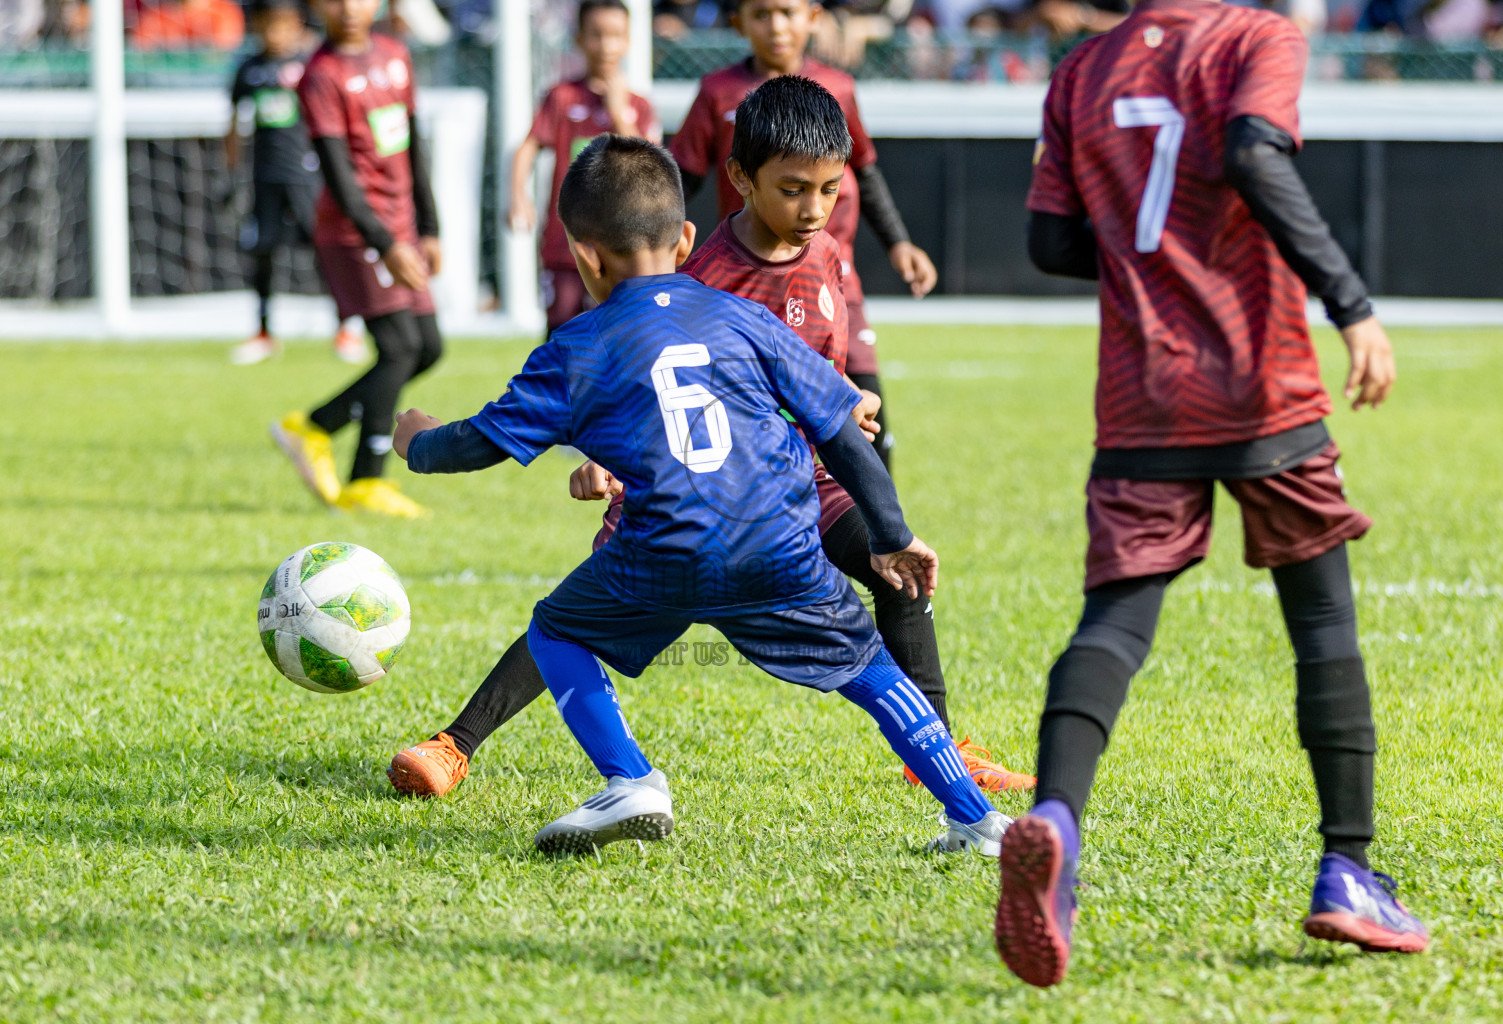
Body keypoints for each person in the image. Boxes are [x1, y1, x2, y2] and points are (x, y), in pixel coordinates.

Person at [386, 76, 1031, 803]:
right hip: (698, 486)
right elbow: (650, 376)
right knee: (576, 619)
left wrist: (847, 399)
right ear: (740, 184)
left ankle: (937, 752)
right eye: (794, 191)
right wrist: (604, 464)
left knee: (899, 567)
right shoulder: (707, 279)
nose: (814, 209)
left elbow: (809, 375)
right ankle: (456, 741)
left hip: (805, 483)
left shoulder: (821, 250)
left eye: (828, 190)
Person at [992, 0, 1428, 988]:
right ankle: (1349, 872)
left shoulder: (1083, 69)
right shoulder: (1255, 38)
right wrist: (1352, 305)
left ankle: (1055, 815)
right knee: (1323, 625)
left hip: (1142, 389)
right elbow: (1255, 154)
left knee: (1114, 620)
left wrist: (1151, 257)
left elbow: (1053, 244)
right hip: (1262, 377)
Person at [669, 0, 939, 473]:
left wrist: (899, 242)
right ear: (738, 23)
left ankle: (874, 537)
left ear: (812, 18)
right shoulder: (716, 92)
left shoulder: (837, 88)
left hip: (832, 282)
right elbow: (678, 181)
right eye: (761, 13)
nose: (776, 26)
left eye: (788, 12)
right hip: (751, 290)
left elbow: (866, 171)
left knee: (867, 424)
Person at [269, 0, 444, 519]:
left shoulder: (394, 53)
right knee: (398, 348)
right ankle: (364, 478)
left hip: (402, 226)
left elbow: (414, 149)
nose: (349, 7)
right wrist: (385, 242)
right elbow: (339, 176)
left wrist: (428, 227)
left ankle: (315, 427)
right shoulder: (320, 75)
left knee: (427, 347)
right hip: (355, 232)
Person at [508, 0, 662, 338]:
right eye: (596, 35)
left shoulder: (638, 106)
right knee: (560, 336)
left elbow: (650, 166)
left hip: (620, 248)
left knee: (614, 339)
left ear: (628, 40)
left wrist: (620, 115)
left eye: (615, 35)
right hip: (566, 246)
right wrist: (518, 195)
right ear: (579, 39)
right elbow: (527, 147)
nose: (606, 45)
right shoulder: (562, 97)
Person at [225, 0, 366, 367]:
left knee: (326, 252)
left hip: (308, 174)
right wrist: (230, 172)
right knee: (262, 253)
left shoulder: (311, 65)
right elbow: (234, 123)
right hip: (264, 177)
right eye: (269, 26)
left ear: (297, 26)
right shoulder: (250, 69)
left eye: (284, 25)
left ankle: (347, 328)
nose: (276, 33)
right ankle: (264, 332)